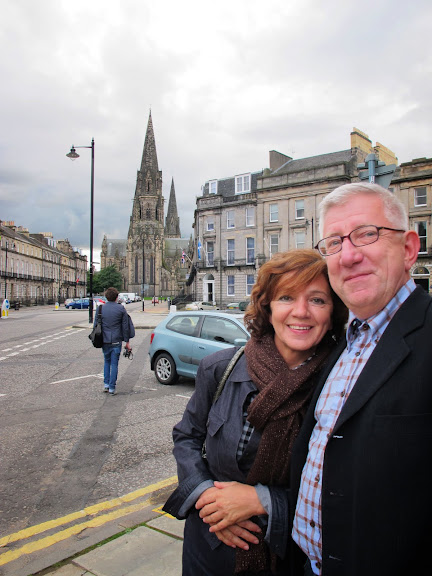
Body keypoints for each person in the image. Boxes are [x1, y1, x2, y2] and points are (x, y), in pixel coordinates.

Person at [163, 250, 347, 576]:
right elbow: (187, 437)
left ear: (333, 313)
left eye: (317, 300)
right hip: (208, 549)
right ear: (268, 307)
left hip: (288, 557)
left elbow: (346, 489)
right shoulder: (220, 367)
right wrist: (208, 499)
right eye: (286, 297)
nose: (301, 311)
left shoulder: (341, 386)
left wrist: (265, 501)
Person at [290, 182, 428, 576]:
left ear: (408, 249)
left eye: (367, 234)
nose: (348, 255)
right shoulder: (341, 342)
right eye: (334, 243)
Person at [94, 286, 132, 395]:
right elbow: (125, 327)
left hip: (105, 340)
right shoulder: (121, 309)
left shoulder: (100, 308)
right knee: (114, 364)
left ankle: (106, 384)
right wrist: (127, 342)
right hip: (116, 340)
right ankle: (111, 388)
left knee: (107, 361)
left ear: (106, 297)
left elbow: (96, 325)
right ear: (116, 297)